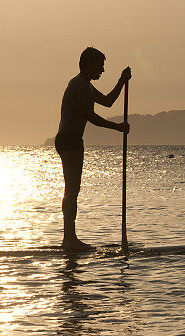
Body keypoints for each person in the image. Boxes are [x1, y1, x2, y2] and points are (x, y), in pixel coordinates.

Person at [55, 47, 131, 250]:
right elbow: (92, 117)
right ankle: (69, 240)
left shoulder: (86, 86)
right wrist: (118, 128)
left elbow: (107, 102)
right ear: (88, 64)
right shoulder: (78, 85)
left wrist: (122, 81)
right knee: (72, 190)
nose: (102, 71)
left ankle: (69, 238)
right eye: (100, 66)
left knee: (73, 190)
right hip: (69, 140)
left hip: (73, 141)